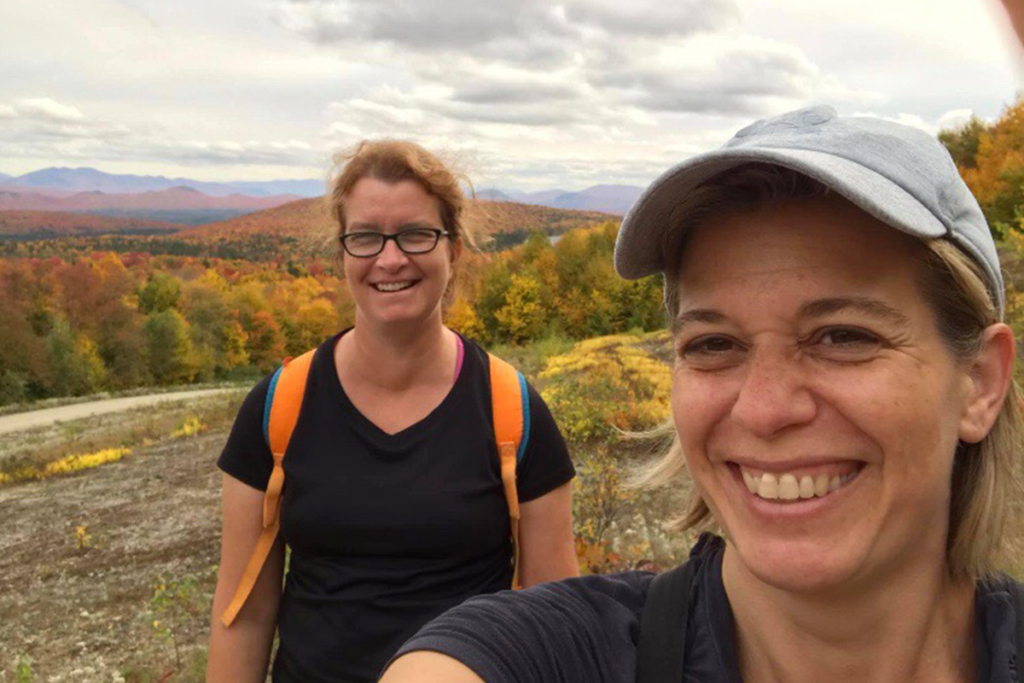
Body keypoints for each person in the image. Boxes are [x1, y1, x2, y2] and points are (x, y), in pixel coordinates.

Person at [379, 106, 1024, 683]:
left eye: (843, 336)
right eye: (714, 345)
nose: (765, 410)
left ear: (979, 384)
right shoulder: (543, 654)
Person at [206, 140, 579, 683]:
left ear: (454, 249)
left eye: (415, 234)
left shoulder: (513, 411)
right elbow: (244, 613)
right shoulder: (277, 407)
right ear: (341, 254)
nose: (390, 258)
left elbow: (555, 617)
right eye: (365, 237)